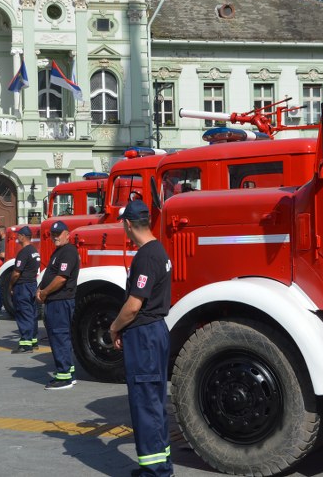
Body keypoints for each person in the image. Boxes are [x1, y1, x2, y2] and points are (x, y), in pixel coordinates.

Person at [109, 200, 174, 477]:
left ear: (127, 225)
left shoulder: (146, 256)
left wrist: (114, 327)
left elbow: (134, 305)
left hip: (144, 336)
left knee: (145, 403)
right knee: (154, 402)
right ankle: (160, 465)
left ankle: (155, 472)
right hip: (155, 332)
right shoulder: (159, 250)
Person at [36, 220, 79, 390]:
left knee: (59, 337)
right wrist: (40, 288)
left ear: (67, 234)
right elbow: (51, 274)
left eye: (58, 233)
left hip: (60, 302)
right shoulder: (59, 251)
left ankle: (64, 377)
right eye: (53, 234)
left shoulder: (68, 252)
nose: (55, 237)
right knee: (61, 337)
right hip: (56, 301)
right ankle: (69, 372)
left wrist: (44, 293)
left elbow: (61, 278)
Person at [9, 226, 40, 353]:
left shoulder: (23, 252)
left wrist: (10, 285)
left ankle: (25, 345)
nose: (17, 237)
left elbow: (16, 273)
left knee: (23, 313)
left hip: (23, 287)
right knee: (31, 314)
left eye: (18, 235)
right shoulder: (34, 250)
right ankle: (33, 340)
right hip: (32, 284)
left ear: (23, 236)